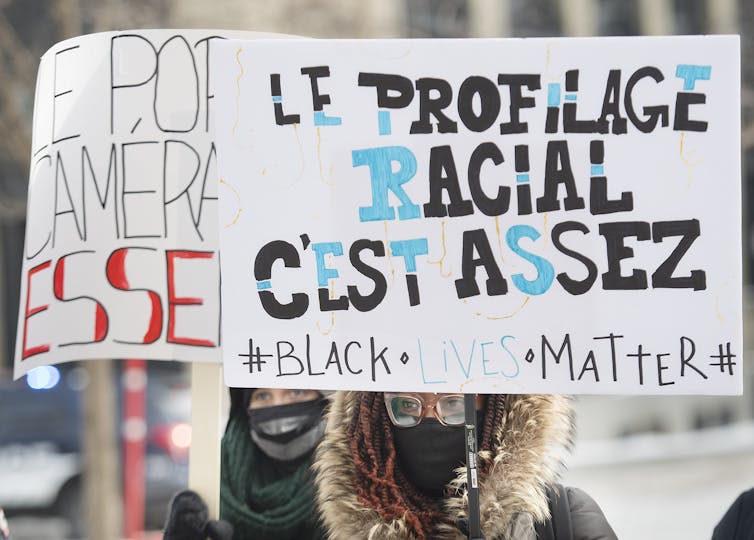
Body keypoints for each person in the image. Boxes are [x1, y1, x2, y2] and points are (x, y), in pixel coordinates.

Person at [314, 391, 617, 539]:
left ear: (497, 412)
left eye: (454, 403)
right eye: (406, 405)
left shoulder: (566, 518)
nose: (430, 419)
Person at [164, 387, 328, 540]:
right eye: (262, 395)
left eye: (296, 392)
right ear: (245, 407)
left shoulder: (349, 480)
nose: (279, 405)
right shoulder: (217, 473)